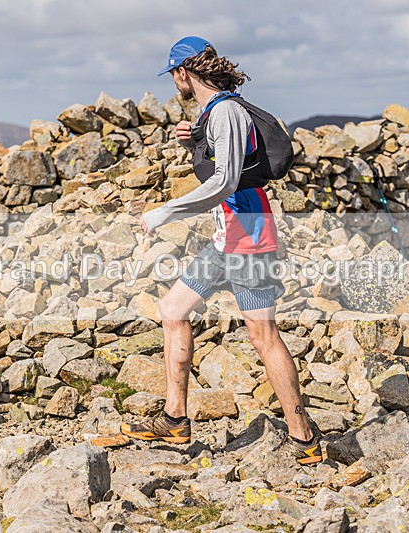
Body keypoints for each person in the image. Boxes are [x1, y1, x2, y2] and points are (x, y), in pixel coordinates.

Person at [120, 36, 323, 465]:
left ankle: (303, 437)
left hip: (247, 235)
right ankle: (175, 419)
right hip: (226, 238)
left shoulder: (226, 112)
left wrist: (164, 212)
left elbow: (226, 180)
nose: (174, 83)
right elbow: (225, 163)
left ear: (183, 72)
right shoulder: (215, 111)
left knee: (262, 336)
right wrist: (193, 143)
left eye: (173, 75)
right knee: (173, 309)